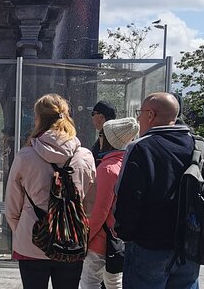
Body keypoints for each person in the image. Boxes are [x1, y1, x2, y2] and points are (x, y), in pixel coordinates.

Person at [115, 92, 204, 289]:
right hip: (191, 246)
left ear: (150, 115)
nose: (138, 119)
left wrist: (126, 234)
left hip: (149, 246)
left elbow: (127, 200)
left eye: (140, 113)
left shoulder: (140, 148)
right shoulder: (202, 145)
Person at [5, 93, 96, 289]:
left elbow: (12, 206)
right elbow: (89, 204)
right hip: (71, 240)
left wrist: (23, 231)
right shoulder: (85, 156)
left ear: (38, 118)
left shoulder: (25, 155)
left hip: (33, 239)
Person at [80, 117, 139, 289]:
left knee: (90, 282)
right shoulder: (127, 164)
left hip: (100, 239)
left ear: (108, 140)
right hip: (118, 238)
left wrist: (86, 237)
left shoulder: (107, 168)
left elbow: (100, 210)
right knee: (114, 282)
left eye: (101, 135)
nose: (99, 139)